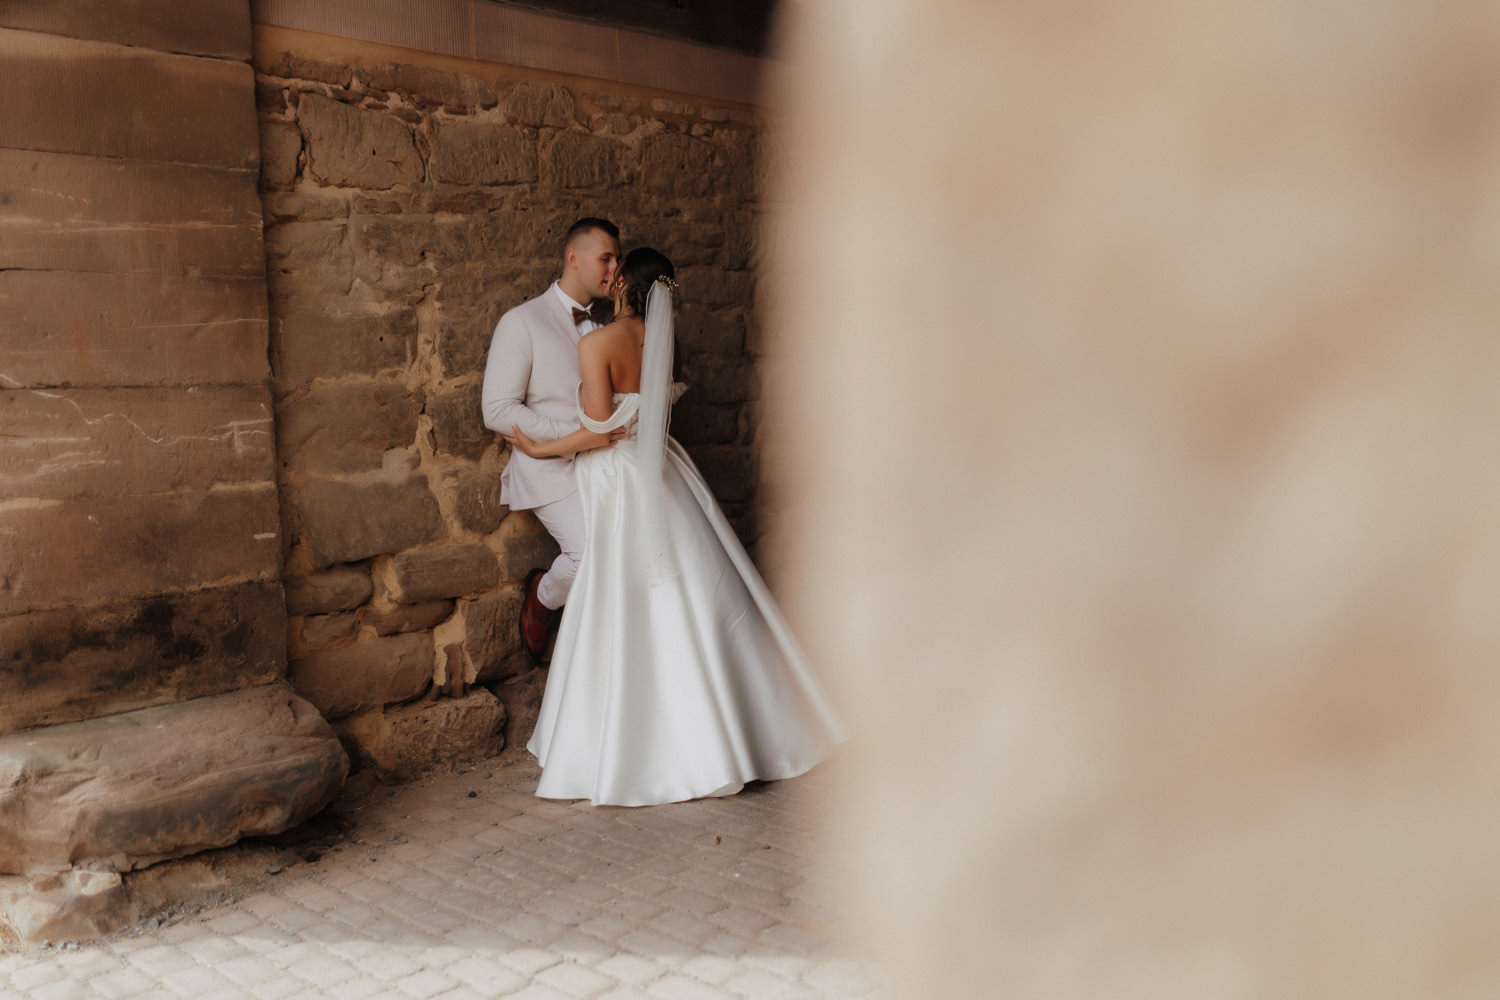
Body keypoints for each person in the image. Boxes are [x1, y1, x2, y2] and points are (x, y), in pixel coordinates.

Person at [504, 248, 844, 806]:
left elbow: (597, 431)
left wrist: (540, 446)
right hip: (662, 467)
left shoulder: (596, 344)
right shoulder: (668, 343)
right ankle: (738, 731)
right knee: (688, 586)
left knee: (622, 596)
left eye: (615, 272)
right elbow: (641, 415)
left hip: (616, 478)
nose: (607, 276)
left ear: (624, 289)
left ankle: (635, 746)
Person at [481, 218, 621, 659]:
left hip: (607, 462)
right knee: (587, 554)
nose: (614, 268)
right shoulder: (521, 321)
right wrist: (578, 436)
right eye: (606, 258)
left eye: (617, 259)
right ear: (572, 257)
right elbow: (498, 410)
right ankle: (543, 596)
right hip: (547, 466)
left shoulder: (607, 326)